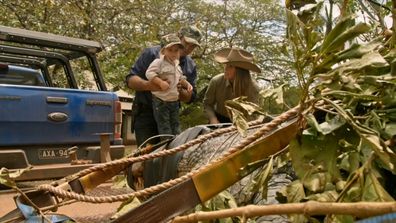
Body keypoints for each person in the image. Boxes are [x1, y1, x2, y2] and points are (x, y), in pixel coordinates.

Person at [126, 25, 202, 147]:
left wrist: (182, 92)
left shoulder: (190, 65)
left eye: (193, 46)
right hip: (147, 115)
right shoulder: (152, 54)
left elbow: (191, 97)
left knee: (171, 152)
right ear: (179, 37)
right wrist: (150, 85)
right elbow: (130, 80)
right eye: (187, 42)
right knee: (148, 157)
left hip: (171, 113)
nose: (188, 48)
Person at [146, 33, 192, 136]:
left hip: (174, 101)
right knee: (164, 127)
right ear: (163, 51)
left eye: (176, 50)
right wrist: (160, 82)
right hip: (161, 101)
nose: (173, 53)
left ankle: (176, 147)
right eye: (170, 50)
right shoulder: (158, 62)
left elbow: (180, 77)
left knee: (176, 126)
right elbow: (149, 73)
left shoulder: (177, 64)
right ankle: (168, 147)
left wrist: (187, 84)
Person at [203, 47, 261, 124]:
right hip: (219, 120)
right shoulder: (216, 81)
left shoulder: (253, 88)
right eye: (226, 64)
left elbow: (253, 114)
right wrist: (213, 118)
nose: (225, 68)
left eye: (230, 66)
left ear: (240, 71)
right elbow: (207, 104)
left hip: (243, 122)